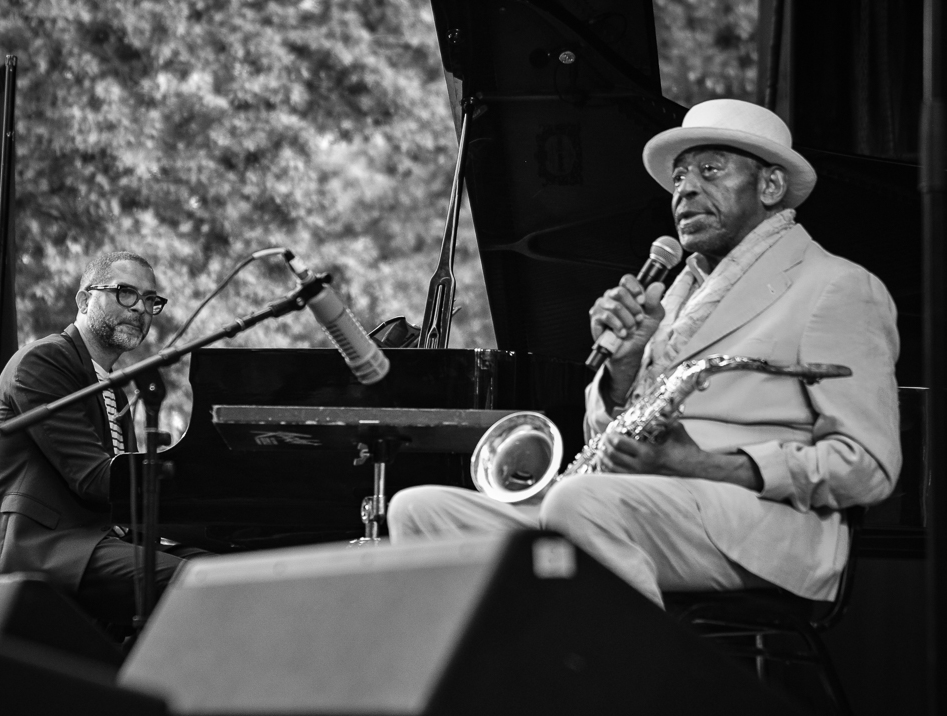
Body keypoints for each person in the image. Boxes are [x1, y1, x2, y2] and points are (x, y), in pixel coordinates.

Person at [387, 99, 902, 608]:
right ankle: (494, 687)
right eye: (678, 178)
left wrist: (703, 464)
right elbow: (605, 440)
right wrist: (623, 366)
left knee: (578, 503)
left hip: (762, 525)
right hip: (629, 502)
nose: (686, 190)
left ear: (770, 186)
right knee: (420, 511)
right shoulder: (675, 295)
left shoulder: (837, 287)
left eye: (711, 170)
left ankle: (631, 688)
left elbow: (867, 468)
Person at [0, 251, 199, 627]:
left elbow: (125, 498)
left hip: (100, 540)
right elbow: (94, 479)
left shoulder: (116, 390)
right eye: (125, 292)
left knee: (218, 567)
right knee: (190, 581)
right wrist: (183, 474)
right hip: (40, 547)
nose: (140, 308)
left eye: (150, 300)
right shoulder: (44, 361)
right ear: (84, 299)